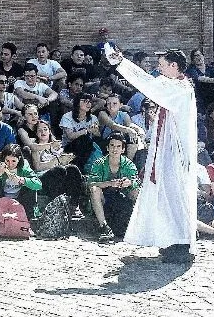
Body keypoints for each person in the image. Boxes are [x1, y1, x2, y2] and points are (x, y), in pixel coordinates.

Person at [106, 47, 198, 263]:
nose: (159, 68)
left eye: (163, 64)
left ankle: (182, 244)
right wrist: (122, 62)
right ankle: (170, 240)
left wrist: (122, 64)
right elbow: (150, 81)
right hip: (166, 150)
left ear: (174, 66)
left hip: (175, 153)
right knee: (165, 196)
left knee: (175, 196)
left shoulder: (181, 89)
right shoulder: (174, 85)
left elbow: (147, 83)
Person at [87, 135, 139, 243]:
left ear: (123, 149)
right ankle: (104, 227)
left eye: (118, 146)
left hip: (122, 198)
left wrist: (128, 182)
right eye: (112, 145)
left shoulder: (129, 164)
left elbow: (136, 181)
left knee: (136, 192)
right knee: (95, 190)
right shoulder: (99, 163)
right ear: (107, 148)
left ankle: (137, 224)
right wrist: (110, 183)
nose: (115, 149)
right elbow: (91, 183)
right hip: (103, 199)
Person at [27, 120, 84, 207]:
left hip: (60, 175)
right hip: (43, 177)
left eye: (45, 129)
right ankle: (56, 206)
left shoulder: (58, 145)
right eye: (39, 130)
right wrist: (57, 160)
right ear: (36, 133)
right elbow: (37, 167)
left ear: (49, 131)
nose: (43, 132)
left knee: (73, 168)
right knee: (59, 169)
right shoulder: (36, 146)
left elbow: (64, 164)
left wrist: (66, 159)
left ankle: (74, 205)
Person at [0, 143, 42, 225]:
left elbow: (38, 185)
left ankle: (29, 218)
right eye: (7, 161)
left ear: (19, 159)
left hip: (20, 200)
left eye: (13, 161)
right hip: (2, 200)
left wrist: (23, 180)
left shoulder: (24, 166)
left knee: (30, 187)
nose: (10, 164)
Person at [60, 93, 102, 172]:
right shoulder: (67, 117)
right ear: (77, 103)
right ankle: (79, 168)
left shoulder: (93, 118)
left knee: (92, 141)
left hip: (88, 147)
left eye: (90, 102)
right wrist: (86, 131)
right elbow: (70, 136)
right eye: (85, 101)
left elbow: (98, 135)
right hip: (70, 146)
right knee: (84, 138)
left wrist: (95, 131)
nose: (88, 104)